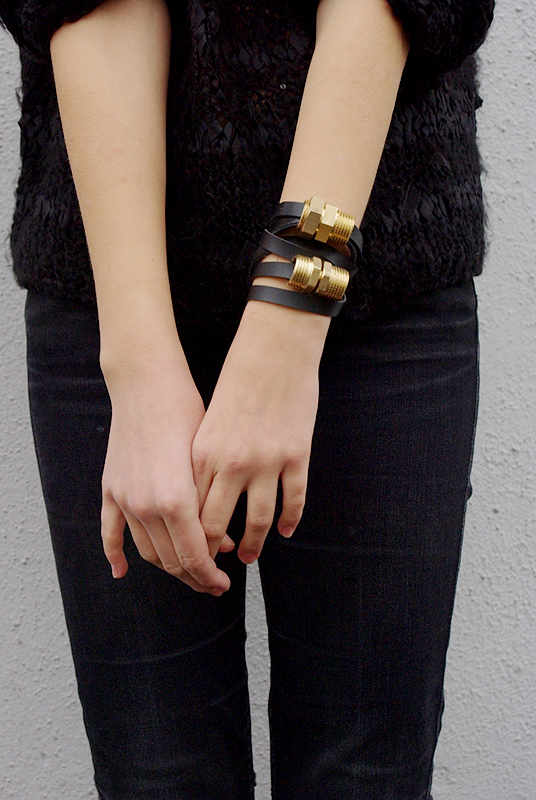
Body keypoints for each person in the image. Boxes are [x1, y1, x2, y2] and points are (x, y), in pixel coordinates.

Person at [0, 0, 495, 797]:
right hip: (114, 289)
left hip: (383, 277)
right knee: (158, 779)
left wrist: (288, 319)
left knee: (365, 778)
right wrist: (139, 366)